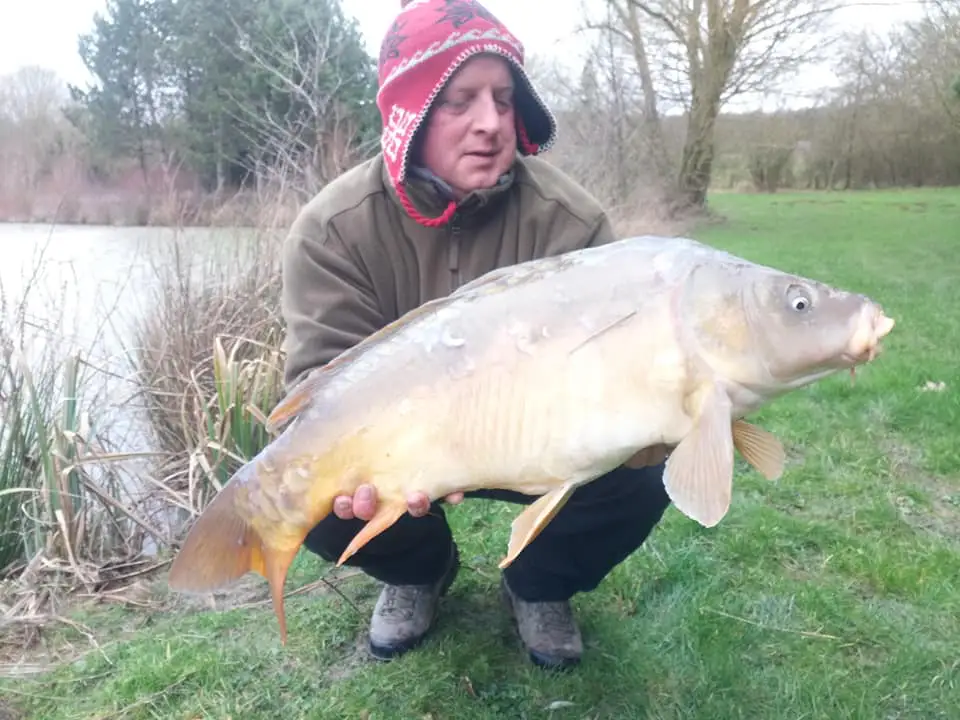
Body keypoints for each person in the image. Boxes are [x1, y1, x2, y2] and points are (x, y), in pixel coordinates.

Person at [279, 0, 671, 670]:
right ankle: (420, 571)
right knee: (301, 479)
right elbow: (317, 381)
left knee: (645, 468)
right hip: (408, 448)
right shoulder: (333, 229)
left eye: (502, 96)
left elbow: (620, 366)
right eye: (459, 100)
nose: (491, 123)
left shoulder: (572, 223)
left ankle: (538, 583)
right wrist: (367, 474)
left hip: (542, 435)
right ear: (409, 114)